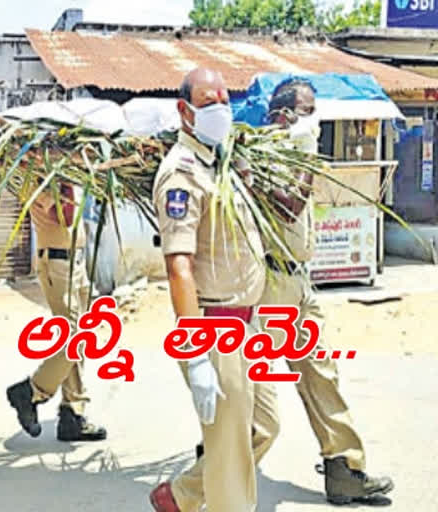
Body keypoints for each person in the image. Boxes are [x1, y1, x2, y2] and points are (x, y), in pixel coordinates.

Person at [257, 78, 394, 504]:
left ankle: (345, 469)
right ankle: (211, 467)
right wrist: (307, 160)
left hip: (300, 282)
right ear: (283, 115)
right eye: (306, 110)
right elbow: (288, 205)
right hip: (272, 285)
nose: (313, 120)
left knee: (322, 372)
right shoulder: (265, 157)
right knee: (253, 393)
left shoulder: (298, 152)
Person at [148, 68, 275, 512]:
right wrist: (196, 354)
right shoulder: (181, 174)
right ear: (184, 111)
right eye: (208, 102)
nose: (221, 109)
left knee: (265, 427)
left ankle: (179, 497)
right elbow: (179, 268)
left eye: (225, 99)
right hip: (216, 330)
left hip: (248, 325)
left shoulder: (219, 162)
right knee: (229, 460)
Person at [5, 180, 107, 442]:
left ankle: (73, 412)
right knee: (73, 336)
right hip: (57, 263)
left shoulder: (66, 174)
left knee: (83, 334)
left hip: (77, 260)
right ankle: (31, 391)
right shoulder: (37, 180)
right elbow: (66, 217)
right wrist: (67, 182)